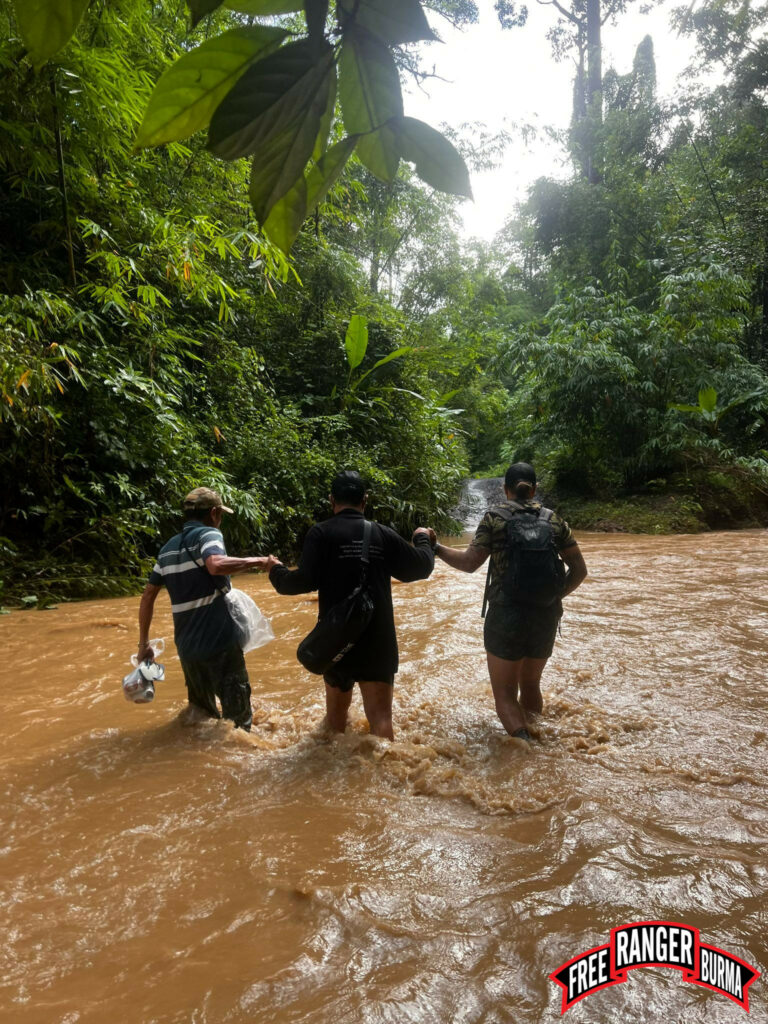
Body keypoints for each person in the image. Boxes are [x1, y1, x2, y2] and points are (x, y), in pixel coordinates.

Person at [425, 463, 587, 742]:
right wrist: (553, 597)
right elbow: (580, 571)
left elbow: (469, 563)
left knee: (504, 696)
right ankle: (537, 737)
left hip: (506, 616)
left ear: (505, 489)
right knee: (531, 685)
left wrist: (436, 547)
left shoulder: (494, 518)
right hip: (545, 616)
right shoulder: (553, 520)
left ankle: (524, 747)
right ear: (534, 489)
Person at [268, 470, 435, 740]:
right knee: (381, 722)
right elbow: (421, 567)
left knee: (335, 724)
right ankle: (385, 780)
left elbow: (298, 583)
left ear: (332, 500)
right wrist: (422, 537)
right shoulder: (382, 534)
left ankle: (333, 778)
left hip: (336, 641)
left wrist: (275, 569)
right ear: (365, 500)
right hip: (378, 642)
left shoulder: (320, 534)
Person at [137, 487, 277, 731]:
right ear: (214, 513)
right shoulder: (209, 534)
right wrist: (261, 562)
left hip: (188, 649)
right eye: (220, 514)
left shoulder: (167, 549)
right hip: (218, 644)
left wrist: (144, 644)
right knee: (239, 725)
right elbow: (215, 565)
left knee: (200, 719)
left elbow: (148, 595)